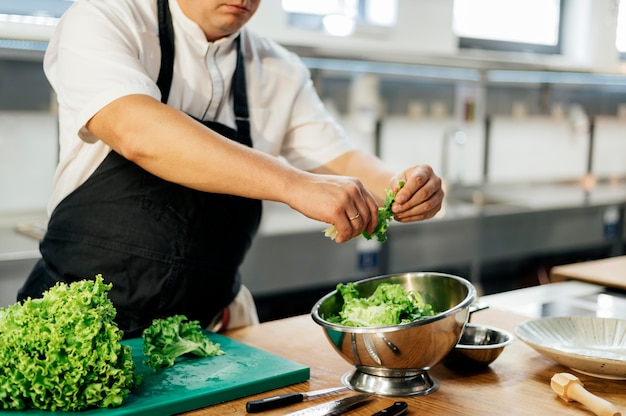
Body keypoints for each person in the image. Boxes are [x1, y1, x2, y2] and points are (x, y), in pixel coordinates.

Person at [18, 0, 444, 338]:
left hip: (205, 337)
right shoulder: (105, 17)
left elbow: (342, 159)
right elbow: (136, 130)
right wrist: (291, 183)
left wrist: (398, 184)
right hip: (74, 326)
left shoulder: (278, 69)